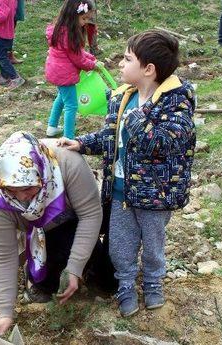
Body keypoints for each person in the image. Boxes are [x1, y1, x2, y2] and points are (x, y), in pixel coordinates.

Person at [59, 30, 196, 317]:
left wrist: (135, 120)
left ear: (148, 69)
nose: (120, 64)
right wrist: (83, 143)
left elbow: (162, 142)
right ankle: (125, 285)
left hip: (156, 195)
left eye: (127, 58)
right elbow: (112, 136)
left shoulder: (175, 102)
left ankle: (153, 282)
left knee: (153, 243)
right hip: (120, 191)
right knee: (121, 244)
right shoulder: (123, 98)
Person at [0, 131, 117, 336]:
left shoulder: (67, 163)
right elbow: (3, 256)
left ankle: (85, 264)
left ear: (42, 174)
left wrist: (75, 267)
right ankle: (35, 275)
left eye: (28, 188)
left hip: (74, 219)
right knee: (48, 286)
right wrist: (4, 313)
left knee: (108, 282)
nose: (21, 197)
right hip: (36, 233)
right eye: (12, 190)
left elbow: (90, 215)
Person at [45, 0, 102, 139]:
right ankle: (68, 137)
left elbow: (79, 52)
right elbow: (78, 59)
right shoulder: (69, 35)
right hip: (64, 74)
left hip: (56, 70)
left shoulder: (61, 30)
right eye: (83, 18)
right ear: (72, 15)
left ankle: (52, 127)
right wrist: (93, 65)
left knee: (61, 98)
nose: (85, 23)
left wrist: (92, 58)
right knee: (71, 106)